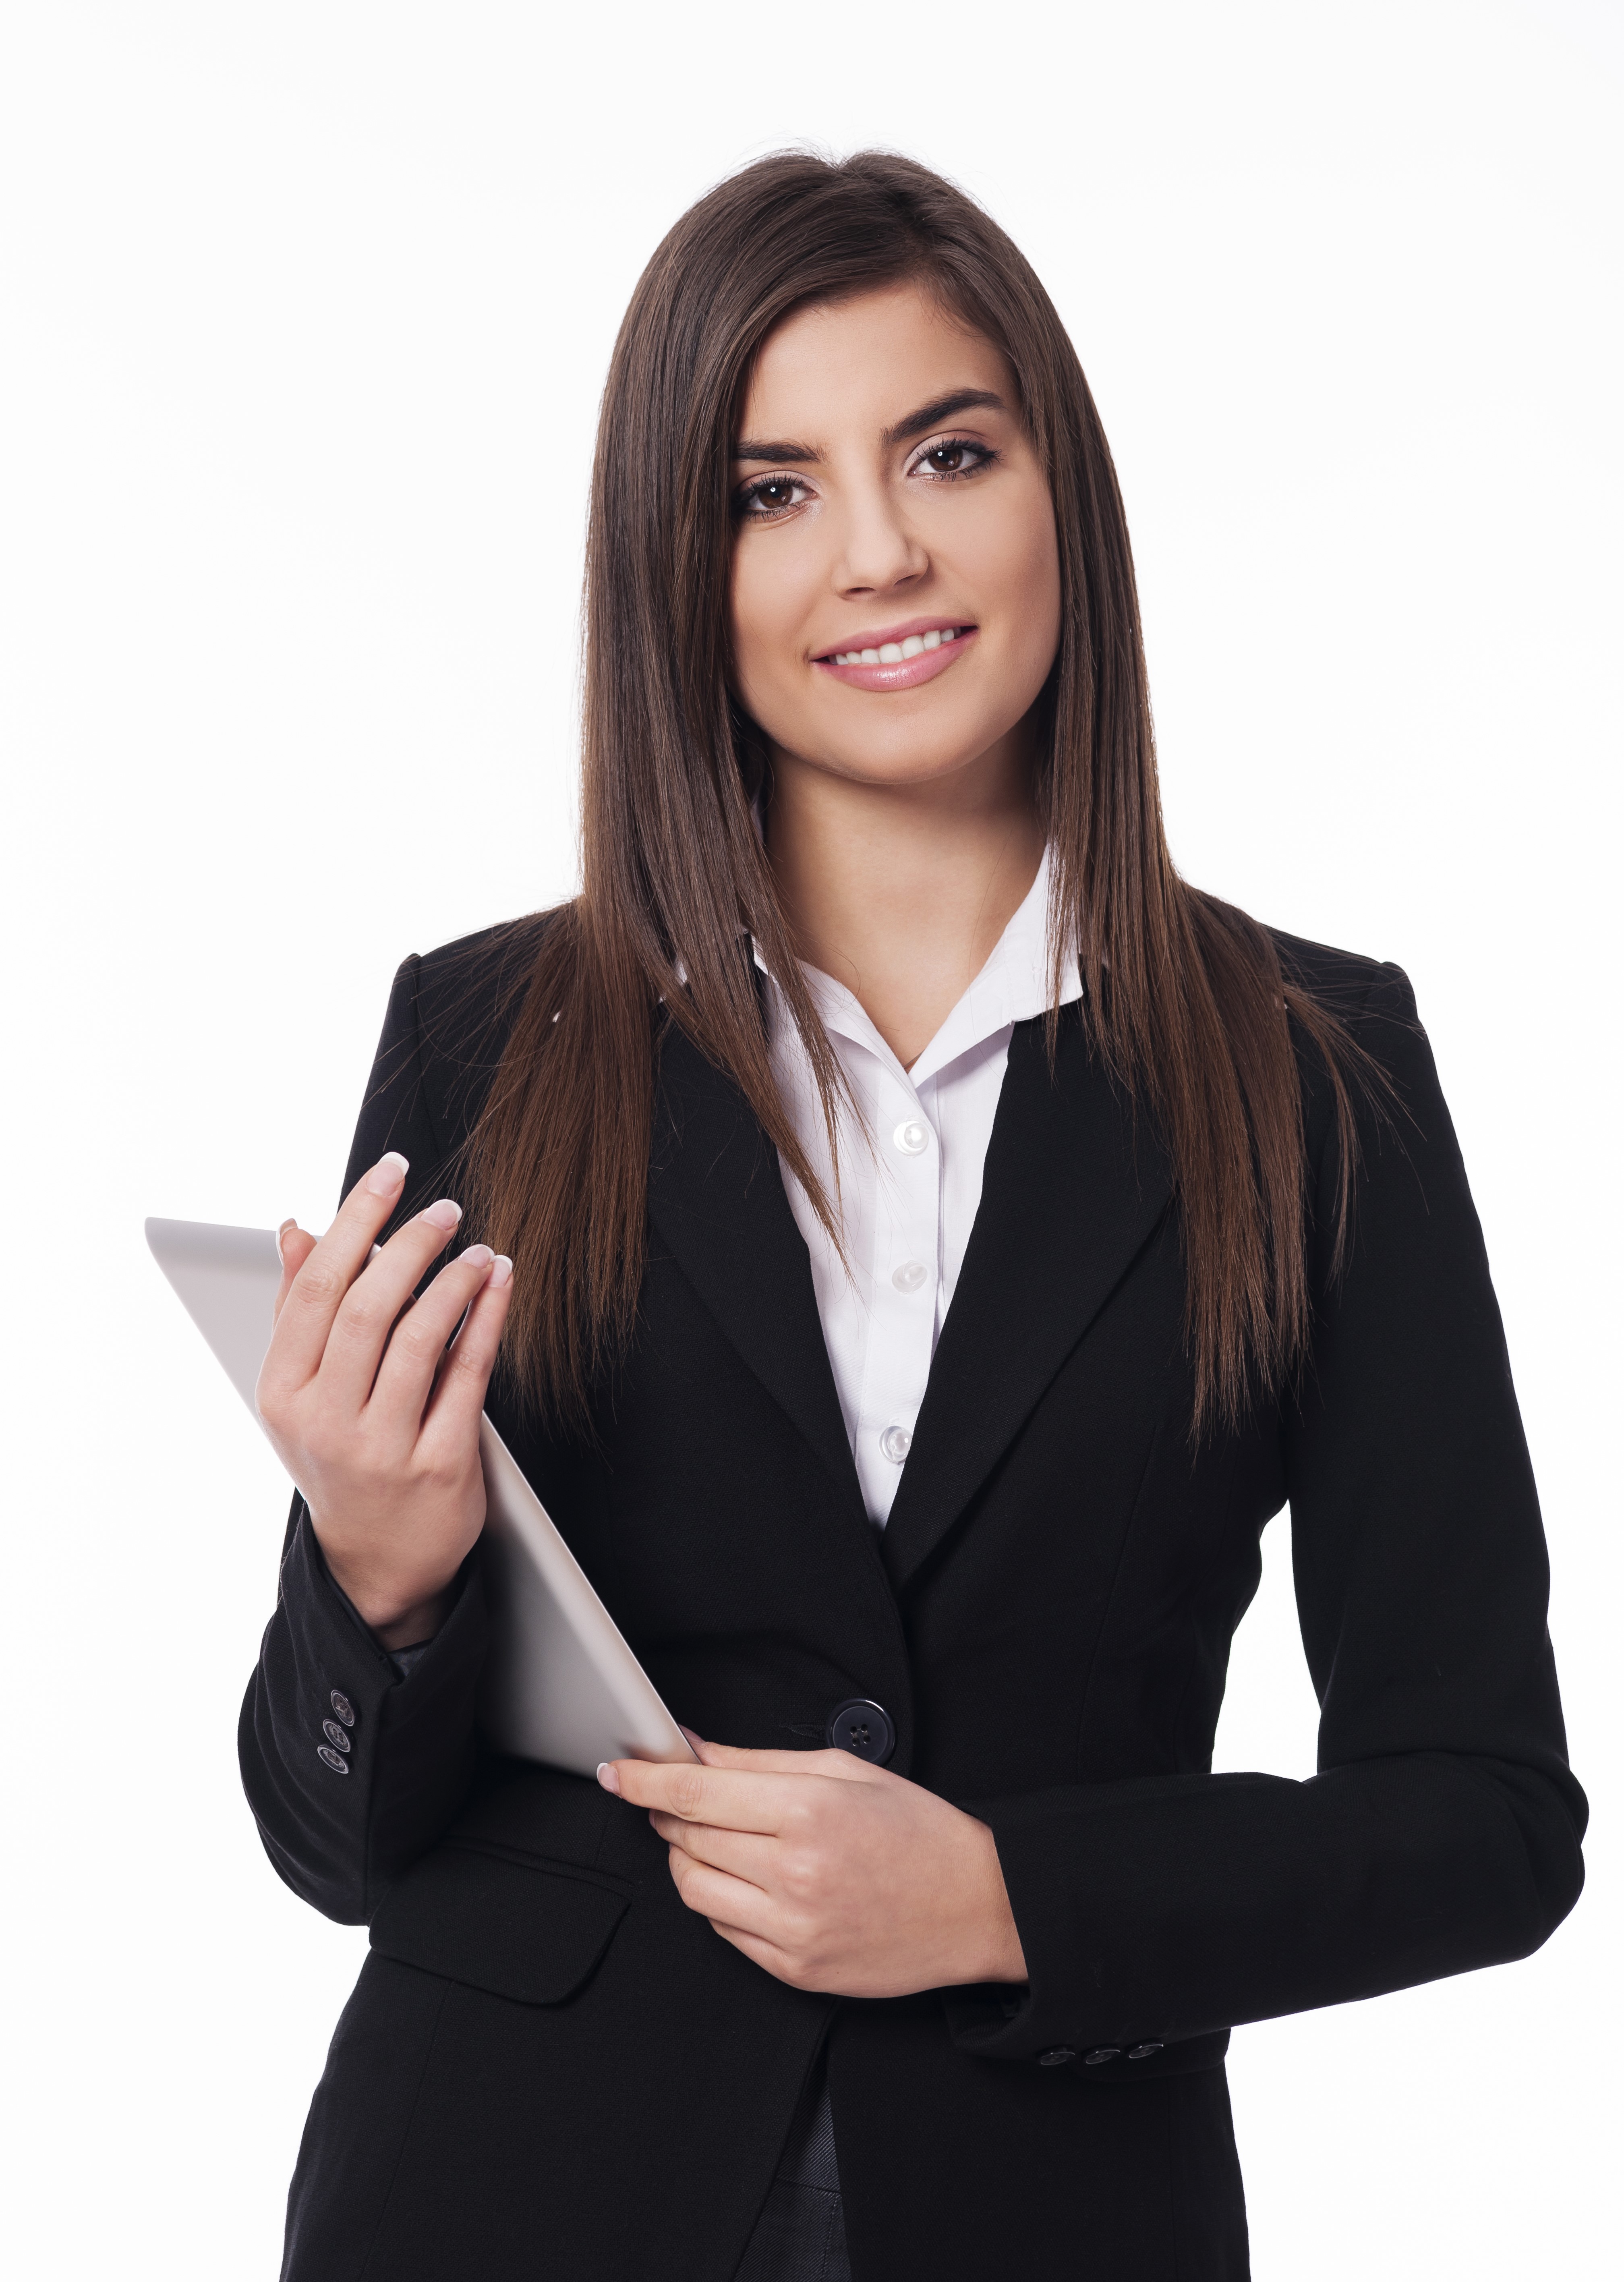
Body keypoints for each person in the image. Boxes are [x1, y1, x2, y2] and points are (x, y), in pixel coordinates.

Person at [241, 151, 1585, 2282]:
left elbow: (1489, 1819)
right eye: (770, 490)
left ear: (1062, 491)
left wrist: (1003, 1900)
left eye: (945, 452)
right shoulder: (494, 1035)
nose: (877, 551)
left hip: (1049, 2208)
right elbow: (332, 1838)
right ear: (675, 570)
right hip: (498, 2197)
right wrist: (379, 1584)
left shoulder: (1319, 1074)